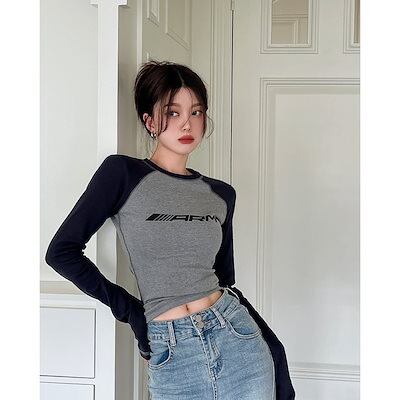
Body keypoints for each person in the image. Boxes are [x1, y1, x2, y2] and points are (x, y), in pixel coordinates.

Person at [45, 60, 277, 399]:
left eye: (196, 112)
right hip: (171, 349)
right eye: (172, 112)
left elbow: (224, 279)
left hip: (237, 337)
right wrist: (132, 312)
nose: (187, 123)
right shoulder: (122, 174)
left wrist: (275, 350)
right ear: (150, 121)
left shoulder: (221, 194)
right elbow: (61, 252)